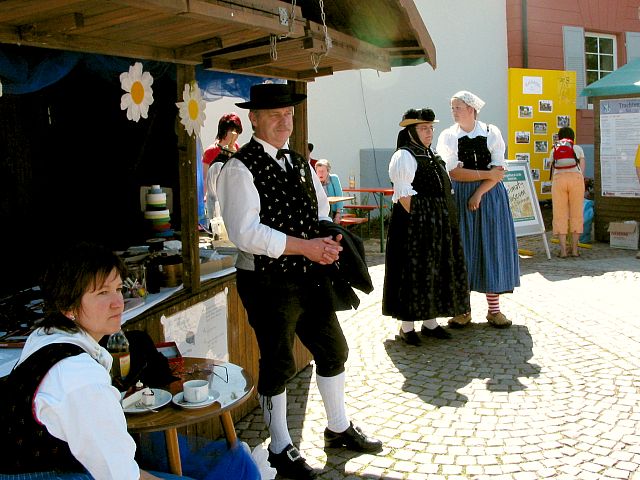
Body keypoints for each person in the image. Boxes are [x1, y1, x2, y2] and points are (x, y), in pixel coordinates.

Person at [217, 83, 382, 480]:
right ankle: (278, 446)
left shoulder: (300, 162)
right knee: (279, 361)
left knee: (333, 349)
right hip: (266, 281)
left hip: (310, 277)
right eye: (274, 115)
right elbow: (245, 233)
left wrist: (326, 243)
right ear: (254, 119)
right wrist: (305, 247)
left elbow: (321, 210)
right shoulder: (238, 168)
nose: (283, 122)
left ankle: (338, 427)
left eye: (288, 114)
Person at [0, 242, 192, 480]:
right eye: (102, 293)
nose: (118, 302)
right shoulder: (78, 375)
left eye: (119, 288)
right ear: (67, 305)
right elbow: (120, 476)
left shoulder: (45, 336)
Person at [383, 108, 470, 346]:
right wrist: (426, 220)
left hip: (435, 225)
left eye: (431, 128)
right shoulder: (404, 156)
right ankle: (407, 327)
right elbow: (404, 196)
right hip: (414, 227)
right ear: (411, 131)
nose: (429, 132)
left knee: (433, 271)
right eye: (423, 128)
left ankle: (430, 322)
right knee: (413, 273)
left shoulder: (431, 155)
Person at [436, 90, 520, 329]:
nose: (453, 112)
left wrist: (479, 191)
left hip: (490, 196)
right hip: (461, 195)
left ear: (471, 109)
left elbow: (499, 171)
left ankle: (494, 310)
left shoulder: (491, 132)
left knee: (491, 248)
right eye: (452, 108)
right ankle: (463, 310)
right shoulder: (448, 136)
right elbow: (453, 172)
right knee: (462, 249)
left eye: (458, 108)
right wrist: (485, 174)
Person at [549, 127, 585, 258]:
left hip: (559, 181)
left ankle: (563, 250)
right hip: (576, 179)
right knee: (576, 213)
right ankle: (575, 250)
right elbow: (582, 170)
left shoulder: (554, 149)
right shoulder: (578, 149)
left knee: (560, 214)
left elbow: (552, 167)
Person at [203, 113, 243, 220]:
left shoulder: (236, 148)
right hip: (215, 200)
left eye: (237, 131)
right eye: (231, 131)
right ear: (223, 131)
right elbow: (205, 179)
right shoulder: (211, 151)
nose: (235, 135)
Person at [314, 158, 344, 223]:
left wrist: (338, 213)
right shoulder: (314, 181)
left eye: (323, 171)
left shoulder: (333, 179)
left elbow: (339, 196)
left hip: (333, 212)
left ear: (328, 171)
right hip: (319, 212)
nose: (320, 173)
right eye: (318, 171)